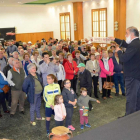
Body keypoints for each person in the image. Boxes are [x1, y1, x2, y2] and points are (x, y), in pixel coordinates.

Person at [109, 26, 140, 115]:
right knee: (137, 97)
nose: (125, 35)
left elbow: (123, 59)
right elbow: (126, 44)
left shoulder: (134, 45)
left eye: (126, 33)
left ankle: (129, 118)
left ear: (132, 34)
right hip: (136, 75)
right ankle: (136, 117)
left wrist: (118, 51)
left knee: (131, 98)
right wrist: (115, 39)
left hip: (132, 76)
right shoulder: (137, 43)